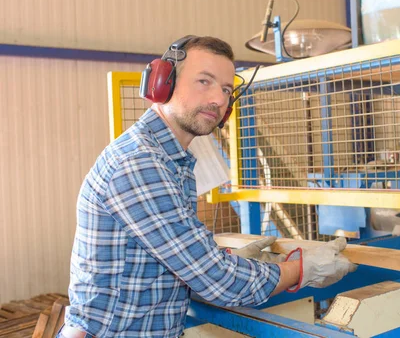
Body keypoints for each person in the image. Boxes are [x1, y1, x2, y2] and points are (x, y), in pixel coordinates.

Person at [58, 36, 356, 338]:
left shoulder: (173, 160)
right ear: (163, 83)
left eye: (226, 90)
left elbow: (179, 252)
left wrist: (222, 257)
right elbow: (220, 282)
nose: (218, 99)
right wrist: (302, 270)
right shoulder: (140, 163)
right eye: (204, 81)